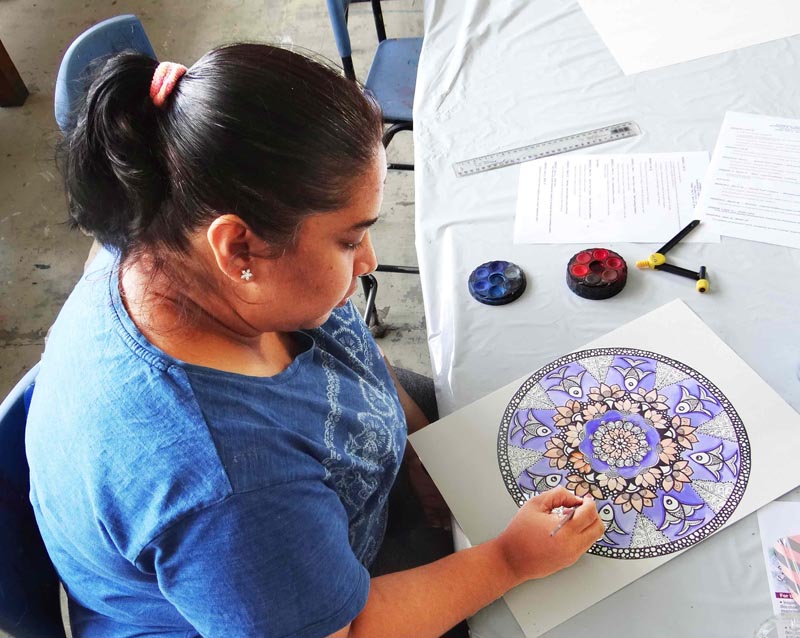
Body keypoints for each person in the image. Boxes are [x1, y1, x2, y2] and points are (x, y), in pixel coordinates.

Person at [26, 43, 604, 638]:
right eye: (350, 241)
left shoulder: (170, 237)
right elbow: (348, 632)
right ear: (239, 249)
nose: (370, 262)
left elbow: (355, 353)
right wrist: (509, 560)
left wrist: (422, 448)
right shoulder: (231, 488)